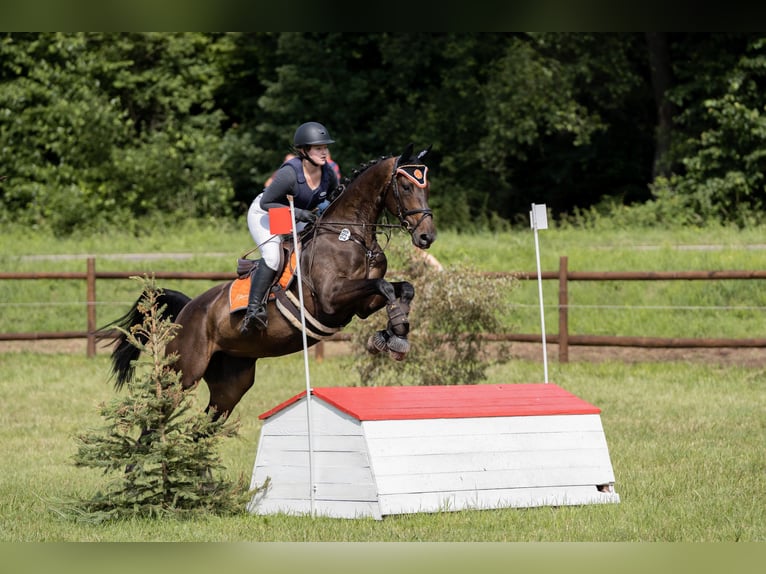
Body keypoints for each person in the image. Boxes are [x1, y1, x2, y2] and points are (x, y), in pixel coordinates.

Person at [241, 121, 340, 334]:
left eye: (325, 147)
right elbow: (266, 202)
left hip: (298, 214)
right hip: (267, 213)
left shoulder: (328, 173)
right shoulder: (289, 173)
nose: (324, 153)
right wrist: (297, 213)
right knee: (273, 257)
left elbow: (335, 198)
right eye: (318, 148)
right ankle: (253, 310)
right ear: (304, 151)